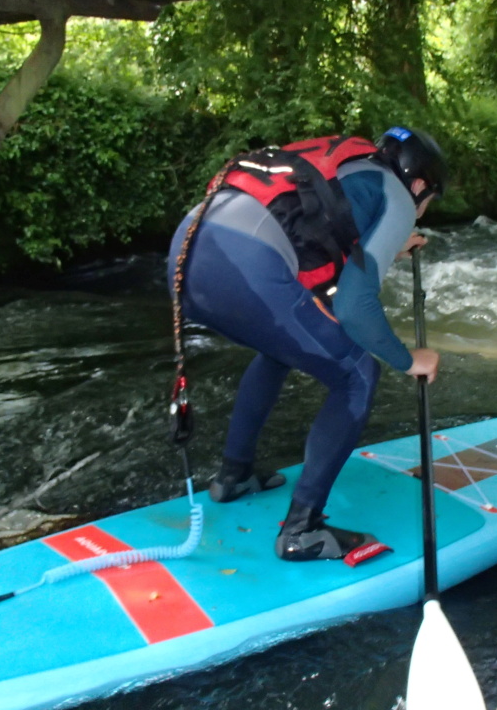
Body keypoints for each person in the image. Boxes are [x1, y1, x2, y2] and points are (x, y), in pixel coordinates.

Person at [167, 128, 444, 561]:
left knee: (281, 349)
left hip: (185, 258)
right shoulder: (399, 197)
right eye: (428, 202)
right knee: (357, 373)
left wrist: (390, 246)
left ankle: (234, 476)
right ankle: (301, 530)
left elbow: (319, 256)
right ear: (420, 185)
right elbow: (354, 307)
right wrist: (408, 360)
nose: (423, 213)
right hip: (243, 262)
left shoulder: (351, 170)